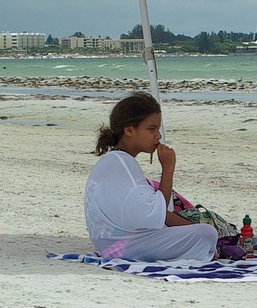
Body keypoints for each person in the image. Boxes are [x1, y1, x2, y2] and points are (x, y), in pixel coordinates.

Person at [84, 92, 218, 261]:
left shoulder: (116, 160)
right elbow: (157, 213)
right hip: (124, 247)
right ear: (129, 130)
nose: (158, 136)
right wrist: (168, 168)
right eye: (151, 129)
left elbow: (158, 214)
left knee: (201, 231)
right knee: (207, 234)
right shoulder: (123, 164)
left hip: (111, 245)